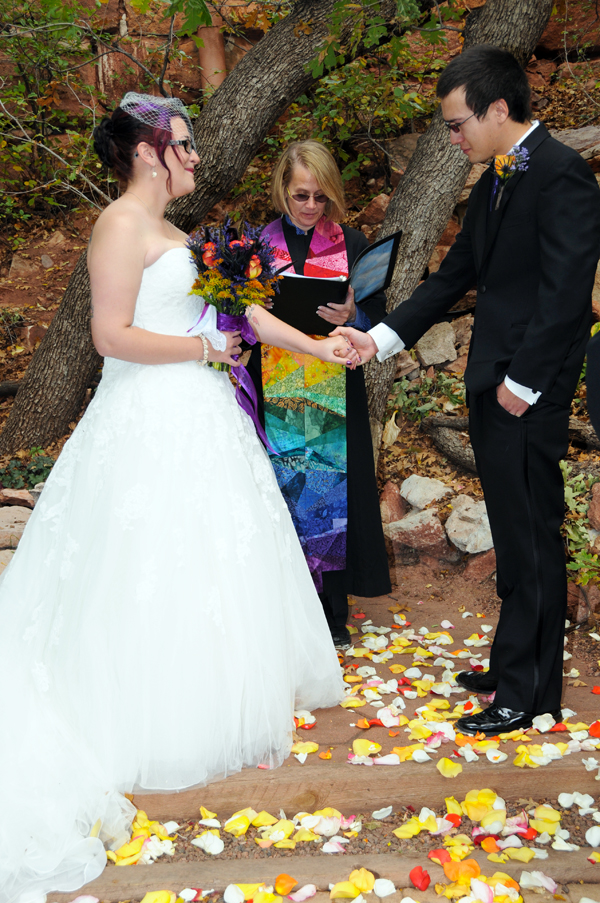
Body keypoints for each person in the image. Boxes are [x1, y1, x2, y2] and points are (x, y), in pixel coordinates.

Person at [0, 92, 356, 902]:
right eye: (185, 145)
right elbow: (111, 336)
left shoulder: (183, 234)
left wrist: (320, 345)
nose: (196, 157)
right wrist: (202, 349)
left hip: (202, 419)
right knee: (144, 562)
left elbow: (245, 314)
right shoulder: (119, 225)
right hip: (142, 419)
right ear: (147, 153)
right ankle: (145, 718)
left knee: (207, 560)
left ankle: (202, 705)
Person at [334, 45, 600, 735]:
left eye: (457, 124)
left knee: (532, 536)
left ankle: (530, 694)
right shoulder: (493, 182)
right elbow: (453, 279)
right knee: (512, 535)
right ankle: (513, 664)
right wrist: (378, 339)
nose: (453, 138)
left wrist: (523, 383)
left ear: (498, 108)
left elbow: (567, 295)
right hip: (492, 385)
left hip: (526, 392)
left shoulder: (563, 175)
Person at [247, 140, 391, 649]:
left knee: (330, 490)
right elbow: (235, 316)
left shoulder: (351, 241)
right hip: (275, 380)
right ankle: (287, 606)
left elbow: (376, 313)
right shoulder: (255, 245)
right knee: (284, 488)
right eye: (300, 195)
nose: (310, 206)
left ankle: (331, 613)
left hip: (334, 383)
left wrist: (354, 315)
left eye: (320, 197)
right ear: (281, 190)